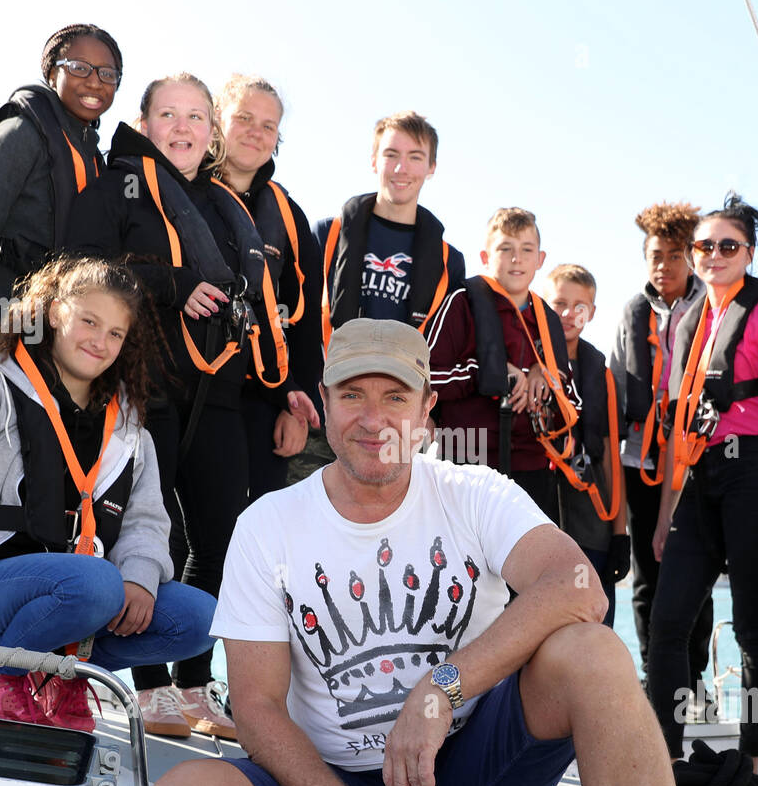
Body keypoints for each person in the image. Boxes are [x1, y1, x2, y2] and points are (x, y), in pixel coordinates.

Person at [145, 318, 689, 786]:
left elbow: (580, 585)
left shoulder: (475, 492)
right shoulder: (267, 525)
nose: (373, 420)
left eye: (395, 397)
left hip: (468, 772)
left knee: (593, 651)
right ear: (324, 402)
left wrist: (440, 690)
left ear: (427, 409)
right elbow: (254, 705)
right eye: (352, 395)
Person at [67, 72, 318, 739]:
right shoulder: (116, 186)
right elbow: (78, 273)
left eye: (196, 118)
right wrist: (173, 284)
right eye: (169, 115)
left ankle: (196, 688)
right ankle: (150, 692)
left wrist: (292, 384)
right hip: (144, 394)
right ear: (145, 123)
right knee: (151, 539)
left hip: (220, 397)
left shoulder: (219, 203)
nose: (183, 128)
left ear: (210, 132)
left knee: (221, 542)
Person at [0, 240, 217, 730]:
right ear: (53, 314)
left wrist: (140, 575)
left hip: (83, 595)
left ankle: (64, 678)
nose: (100, 340)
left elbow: (146, 522)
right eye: (88, 321)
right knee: (95, 583)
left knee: (199, 617)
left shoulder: (130, 430)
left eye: (116, 332)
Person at [646, 194, 758, 767]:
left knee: (753, 627)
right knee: (666, 624)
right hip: (700, 479)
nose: (715, 254)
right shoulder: (688, 321)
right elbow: (678, 422)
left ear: (747, 252)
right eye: (704, 246)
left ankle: (750, 758)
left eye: (729, 245)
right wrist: (668, 509)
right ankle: (666, 758)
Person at [288, 111, 466, 483]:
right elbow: (297, 321)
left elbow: (446, 347)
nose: (402, 167)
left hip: (398, 418)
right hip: (327, 407)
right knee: (311, 520)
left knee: (385, 531)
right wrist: (292, 396)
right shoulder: (328, 234)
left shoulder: (449, 261)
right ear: (374, 160)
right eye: (391, 154)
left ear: (431, 167)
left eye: (415, 156)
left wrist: (431, 414)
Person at [0, 23, 122, 369]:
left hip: (53, 340)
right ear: (51, 72)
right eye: (79, 67)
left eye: (107, 74)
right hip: (0, 334)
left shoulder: (95, 158)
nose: (94, 82)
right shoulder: (22, 132)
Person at [609, 203, 715, 701]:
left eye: (676, 255)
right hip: (641, 461)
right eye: (656, 255)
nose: (664, 266)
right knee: (647, 576)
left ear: (691, 257)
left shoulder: (711, 305)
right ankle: (657, 681)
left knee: (694, 569)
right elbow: (614, 378)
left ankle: (694, 681)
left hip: (693, 457)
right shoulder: (632, 312)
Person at [426, 207, 578, 522]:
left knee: (523, 568)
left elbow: (571, 399)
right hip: (466, 458)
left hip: (531, 467)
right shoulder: (461, 302)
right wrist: (488, 372)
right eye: (505, 249)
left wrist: (545, 374)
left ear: (540, 258)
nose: (516, 259)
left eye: (526, 250)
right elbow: (425, 378)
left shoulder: (547, 319)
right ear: (485, 256)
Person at [213, 74, 325, 500]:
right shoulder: (183, 192)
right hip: (187, 396)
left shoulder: (289, 216)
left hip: (263, 397)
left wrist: (293, 409)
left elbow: (307, 325)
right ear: (216, 120)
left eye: (268, 125)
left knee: (259, 529)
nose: (255, 133)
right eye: (243, 117)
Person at [540, 264, 629, 627]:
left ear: (591, 313)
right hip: (541, 514)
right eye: (558, 303)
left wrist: (620, 533)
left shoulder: (600, 372)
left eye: (579, 306)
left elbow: (611, 458)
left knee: (594, 623)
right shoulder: (531, 361)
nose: (567, 313)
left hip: (593, 520)